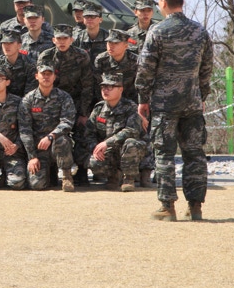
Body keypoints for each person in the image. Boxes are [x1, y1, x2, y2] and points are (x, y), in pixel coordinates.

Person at [135, 0, 214, 221]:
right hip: (191, 103)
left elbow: (145, 70)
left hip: (164, 105)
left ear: (162, 2)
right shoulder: (200, 31)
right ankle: (195, 207)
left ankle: (167, 207)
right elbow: (206, 69)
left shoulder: (158, 31)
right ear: (182, 2)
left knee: (164, 154)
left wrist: (143, 99)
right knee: (195, 154)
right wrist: (201, 96)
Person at [93, 29, 154, 188]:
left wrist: (139, 110)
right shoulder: (101, 60)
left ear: (126, 45)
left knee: (141, 133)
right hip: (110, 103)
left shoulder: (135, 61)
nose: (110, 46)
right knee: (110, 134)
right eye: (108, 43)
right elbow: (97, 86)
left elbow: (143, 85)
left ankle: (144, 171)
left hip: (134, 104)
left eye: (115, 43)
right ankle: (114, 173)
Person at [37, 24, 95, 186]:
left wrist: (84, 113)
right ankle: (52, 170)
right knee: (53, 134)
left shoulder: (81, 56)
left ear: (72, 40)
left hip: (77, 102)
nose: (62, 42)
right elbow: (43, 82)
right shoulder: (46, 56)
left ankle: (82, 171)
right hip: (54, 102)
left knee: (82, 133)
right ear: (53, 40)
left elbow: (87, 85)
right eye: (59, 39)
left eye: (65, 38)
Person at [83, 73, 147, 191]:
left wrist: (107, 143)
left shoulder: (130, 107)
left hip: (126, 150)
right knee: (93, 162)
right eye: (103, 87)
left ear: (120, 89)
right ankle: (113, 177)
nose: (105, 90)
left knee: (131, 143)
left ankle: (129, 178)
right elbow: (89, 134)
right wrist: (95, 148)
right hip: (109, 151)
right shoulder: (98, 109)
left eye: (110, 87)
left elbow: (132, 131)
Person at [19, 62, 77, 192]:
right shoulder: (28, 100)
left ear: (54, 77)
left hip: (56, 144)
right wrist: (32, 157)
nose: (46, 77)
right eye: (43, 74)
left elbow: (67, 122)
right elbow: (25, 130)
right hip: (39, 148)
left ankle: (67, 176)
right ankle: (49, 173)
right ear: (36, 76)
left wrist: (51, 136)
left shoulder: (64, 97)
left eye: (49, 74)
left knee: (62, 140)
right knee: (36, 185)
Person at [0, 30, 38, 98]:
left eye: (11, 43)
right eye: (4, 43)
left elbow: (30, 93)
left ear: (19, 45)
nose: (7, 46)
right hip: (2, 99)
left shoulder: (30, 64)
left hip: (24, 101)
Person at [74, 3, 108, 68]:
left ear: (100, 20)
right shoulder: (78, 37)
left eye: (93, 17)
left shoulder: (108, 37)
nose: (89, 19)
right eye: (87, 16)